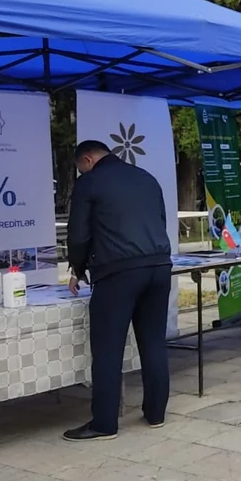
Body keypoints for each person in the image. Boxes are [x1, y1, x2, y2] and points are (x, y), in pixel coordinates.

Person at [65, 140, 172, 441]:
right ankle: (156, 413)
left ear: (87, 160)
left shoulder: (90, 182)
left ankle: (104, 423)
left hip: (118, 272)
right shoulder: (146, 178)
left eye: (79, 168)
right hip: (159, 267)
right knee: (152, 342)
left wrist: (78, 267)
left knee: (108, 349)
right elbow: (160, 221)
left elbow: (79, 232)